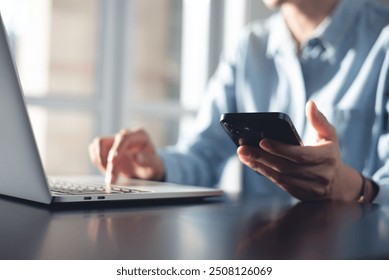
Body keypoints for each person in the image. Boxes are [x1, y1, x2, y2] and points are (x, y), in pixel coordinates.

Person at [89, 0, 389, 203]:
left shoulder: (383, 38)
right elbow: (203, 155)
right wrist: (156, 168)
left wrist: (353, 188)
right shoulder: (248, 47)